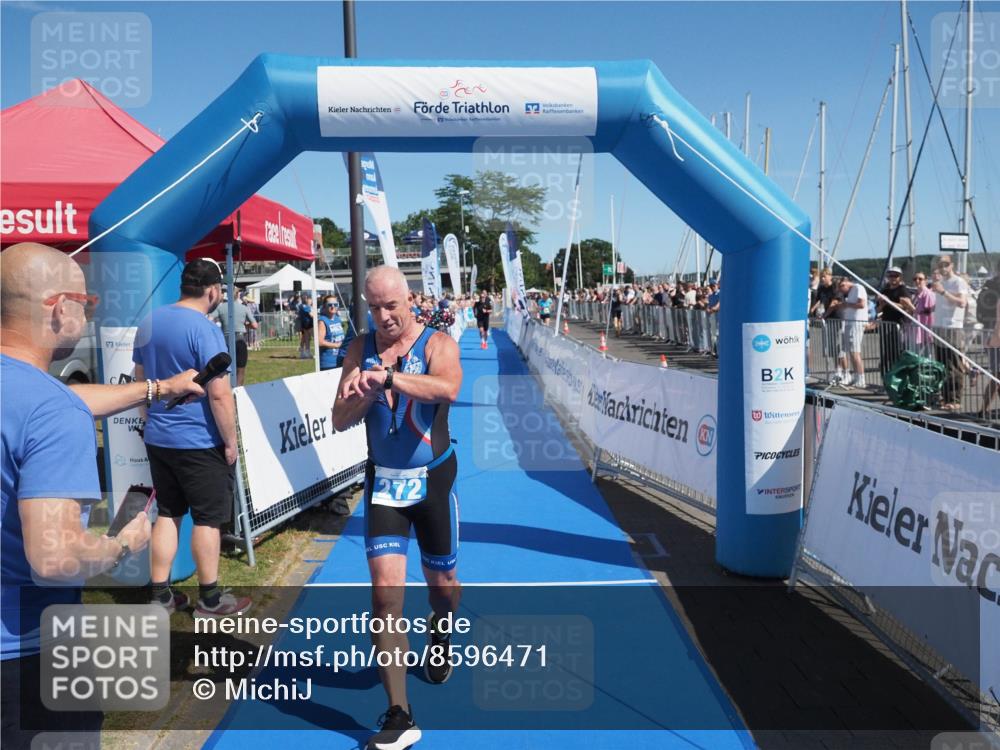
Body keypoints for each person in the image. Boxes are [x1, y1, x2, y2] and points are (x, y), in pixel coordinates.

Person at [1, 243, 203, 749]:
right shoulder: (52, 412)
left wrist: (156, 389)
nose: (89, 312)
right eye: (85, 303)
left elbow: (55, 401)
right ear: (57, 308)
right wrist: (123, 543)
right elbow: (55, 558)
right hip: (27, 654)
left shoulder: (40, 399)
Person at [332, 266, 463, 750]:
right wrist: (361, 394)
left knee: (443, 590)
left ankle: (441, 635)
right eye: (375, 307)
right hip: (384, 484)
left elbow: (448, 388)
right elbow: (339, 417)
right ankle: (399, 715)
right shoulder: (358, 349)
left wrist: (390, 377)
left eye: (392, 306)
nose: (384, 316)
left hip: (432, 483)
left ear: (410, 300)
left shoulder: (436, 344)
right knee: (385, 599)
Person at [133, 259, 251, 617]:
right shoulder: (205, 329)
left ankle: (160, 595)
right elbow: (219, 394)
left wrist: (148, 420)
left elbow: (141, 381)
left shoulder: (150, 321)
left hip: (159, 436)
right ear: (213, 291)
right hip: (199, 440)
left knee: (168, 513)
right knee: (207, 519)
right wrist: (230, 442)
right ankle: (210, 599)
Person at [931, 255, 970, 411]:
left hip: (953, 327)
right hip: (939, 326)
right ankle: (945, 397)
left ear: (951, 265)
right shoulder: (941, 283)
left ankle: (955, 399)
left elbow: (962, 303)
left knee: (954, 364)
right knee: (941, 365)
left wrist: (943, 292)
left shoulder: (958, 282)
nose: (943, 267)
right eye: (940, 264)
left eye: (946, 264)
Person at [211, 288, 259, 386]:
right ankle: (238, 391)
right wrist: (245, 325)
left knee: (224, 370)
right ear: (238, 295)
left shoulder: (221, 308)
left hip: (225, 341)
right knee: (240, 370)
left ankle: (227, 390)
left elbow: (209, 319)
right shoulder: (244, 308)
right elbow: (255, 325)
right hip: (240, 340)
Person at [876, 266, 914, 378]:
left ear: (900, 277)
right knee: (885, 353)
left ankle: (897, 378)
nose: (893, 278)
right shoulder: (885, 290)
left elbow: (906, 307)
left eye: (895, 276)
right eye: (891, 275)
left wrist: (889, 302)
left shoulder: (903, 290)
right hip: (885, 324)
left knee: (896, 352)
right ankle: (886, 378)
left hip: (898, 324)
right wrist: (882, 304)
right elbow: (877, 310)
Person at [830, 277, 868, 388]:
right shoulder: (851, 291)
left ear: (845, 283)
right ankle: (857, 377)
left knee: (855, 352)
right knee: (851, 352)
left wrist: (846, 305)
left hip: (856, 323)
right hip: (849, 323)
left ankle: (861, 378)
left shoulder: (858, 288)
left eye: (841, 288)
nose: (842, 291)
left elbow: (862, 304)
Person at [317, 294, 345, 371]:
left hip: (340, 359)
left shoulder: (337, 319)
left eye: (335, 304)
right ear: (325, 306)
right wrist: (336, 345)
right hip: (328, 362)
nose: (333, 307)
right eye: (330, 305)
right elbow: (320, 342)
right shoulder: (322, 321)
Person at [297, 292, 314, 359]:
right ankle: (306, 352)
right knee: (315, 338)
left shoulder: (302, 306)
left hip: (305, 325)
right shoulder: (305, 306)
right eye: (310, 299)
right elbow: (311, 315)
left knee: (306, 339)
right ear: (306, 299)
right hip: (308, 325)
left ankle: (307, 353)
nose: (311, 300)